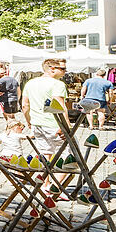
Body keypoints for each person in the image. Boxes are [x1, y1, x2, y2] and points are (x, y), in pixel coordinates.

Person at [22, 59, 69, 194]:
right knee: (70, 156)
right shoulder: (57, 84)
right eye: (63, 69)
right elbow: (60, 106)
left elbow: (25, 105)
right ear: (52, 69)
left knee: (45, 155)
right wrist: (66, 126)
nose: (65, 72)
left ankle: (45, 185)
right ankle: (56, 187)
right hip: (54, 124)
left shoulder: (30, 83)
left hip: (37, 124)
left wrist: (29, 121)